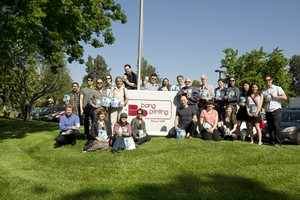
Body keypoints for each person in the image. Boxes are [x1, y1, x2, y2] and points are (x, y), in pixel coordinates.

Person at [262, 75, 287, 147]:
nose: (267, 81)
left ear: (271, 80)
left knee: (276, 126)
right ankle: (271, 141)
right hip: (267, 109)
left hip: (276, 109)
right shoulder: (264, 90)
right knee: (270, 127)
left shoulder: (277, 88)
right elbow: (263, 101)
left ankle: (278, 142)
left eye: (269, 80)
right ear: (264, 81)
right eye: (266, 80)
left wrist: (275, 96)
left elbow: (285, 97)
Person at [80, 75, 94, 140]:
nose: (89, 82)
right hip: (85, 108)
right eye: (88, 80)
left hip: (93, 108)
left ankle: (93, 135)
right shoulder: (83, 90)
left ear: (92, 81)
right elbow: (81, 99)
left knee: (94, 122)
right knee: (86, 123)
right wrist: (81, 109)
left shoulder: (95, 89)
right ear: (86, 81)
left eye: (91, 80)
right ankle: (86, 136)